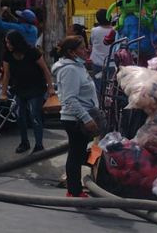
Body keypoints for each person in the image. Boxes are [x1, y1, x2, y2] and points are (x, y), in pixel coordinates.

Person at [51, 36, 103, 198]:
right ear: (71, 52)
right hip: (75, 120)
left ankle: (75, 188)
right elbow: (69, 99)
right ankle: (74, 192)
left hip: (82, 117)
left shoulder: (77, 67)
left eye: (85, 47)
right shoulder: (69, 70)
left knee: (79, 153)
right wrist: (86, 118)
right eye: (82, 48)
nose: (86, 50)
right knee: (75, 154)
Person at [0, 30, 55, 153]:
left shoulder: (32, 51)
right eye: (6, 43)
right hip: (20, 87)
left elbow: (45, 70)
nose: (8, 46)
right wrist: (3, 93)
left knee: (34, 115)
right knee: (19, 115)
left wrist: (50, 88)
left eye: (10, 43)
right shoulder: (7, 55)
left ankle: (39, 145)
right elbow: (6, 75)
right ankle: (24, 142)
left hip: (36, 86)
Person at [89, 9, 117, 94]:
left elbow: (92, 42)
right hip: (113, 63)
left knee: (99, 87)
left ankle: (100, 104)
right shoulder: (116, 31)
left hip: (98, 62)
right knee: (113, 87)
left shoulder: (94, 31)